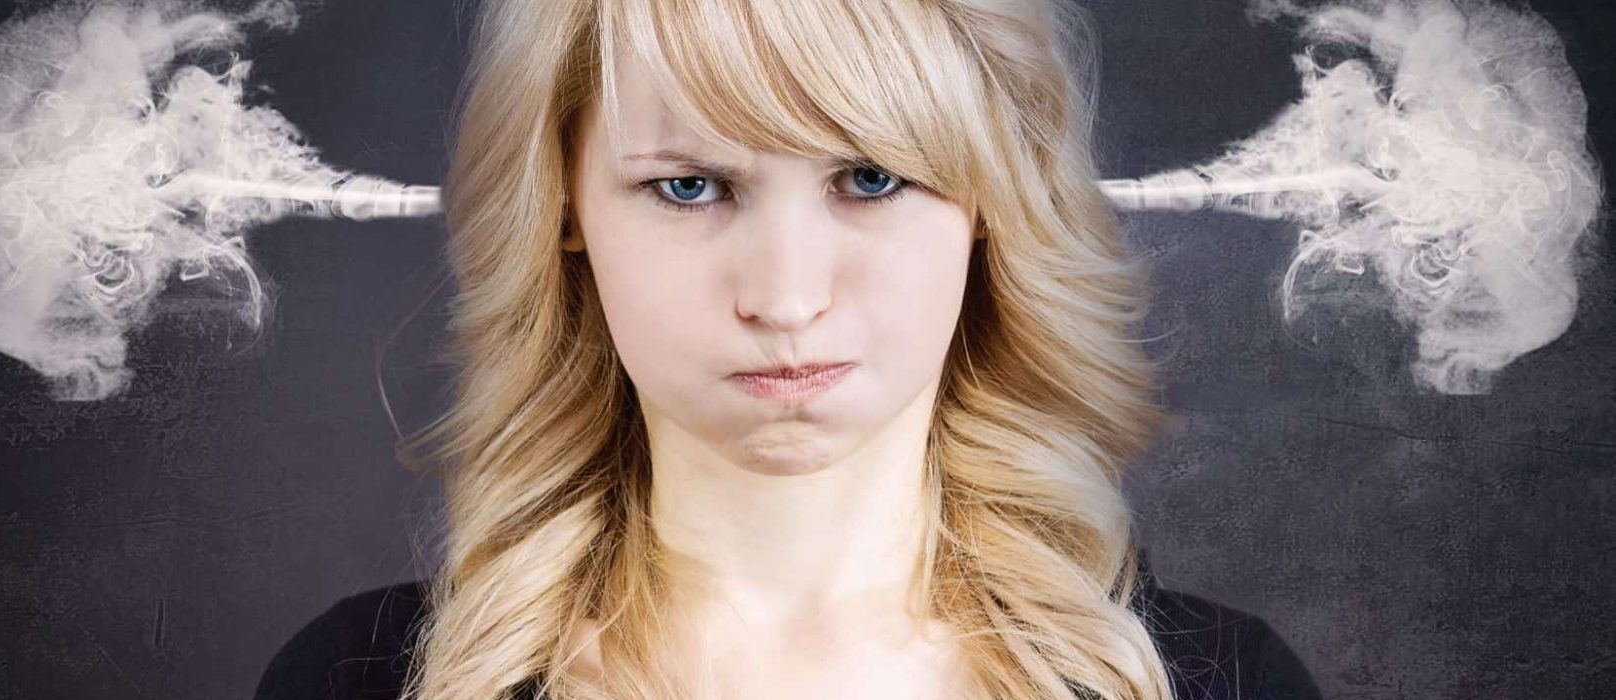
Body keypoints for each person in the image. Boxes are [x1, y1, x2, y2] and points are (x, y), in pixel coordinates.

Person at [258, 0, 1325, 698]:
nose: (785, 297)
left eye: (870, 178)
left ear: (990, 200)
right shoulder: (356, 681)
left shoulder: (1221, 684)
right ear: (564, 204)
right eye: (689, 186)